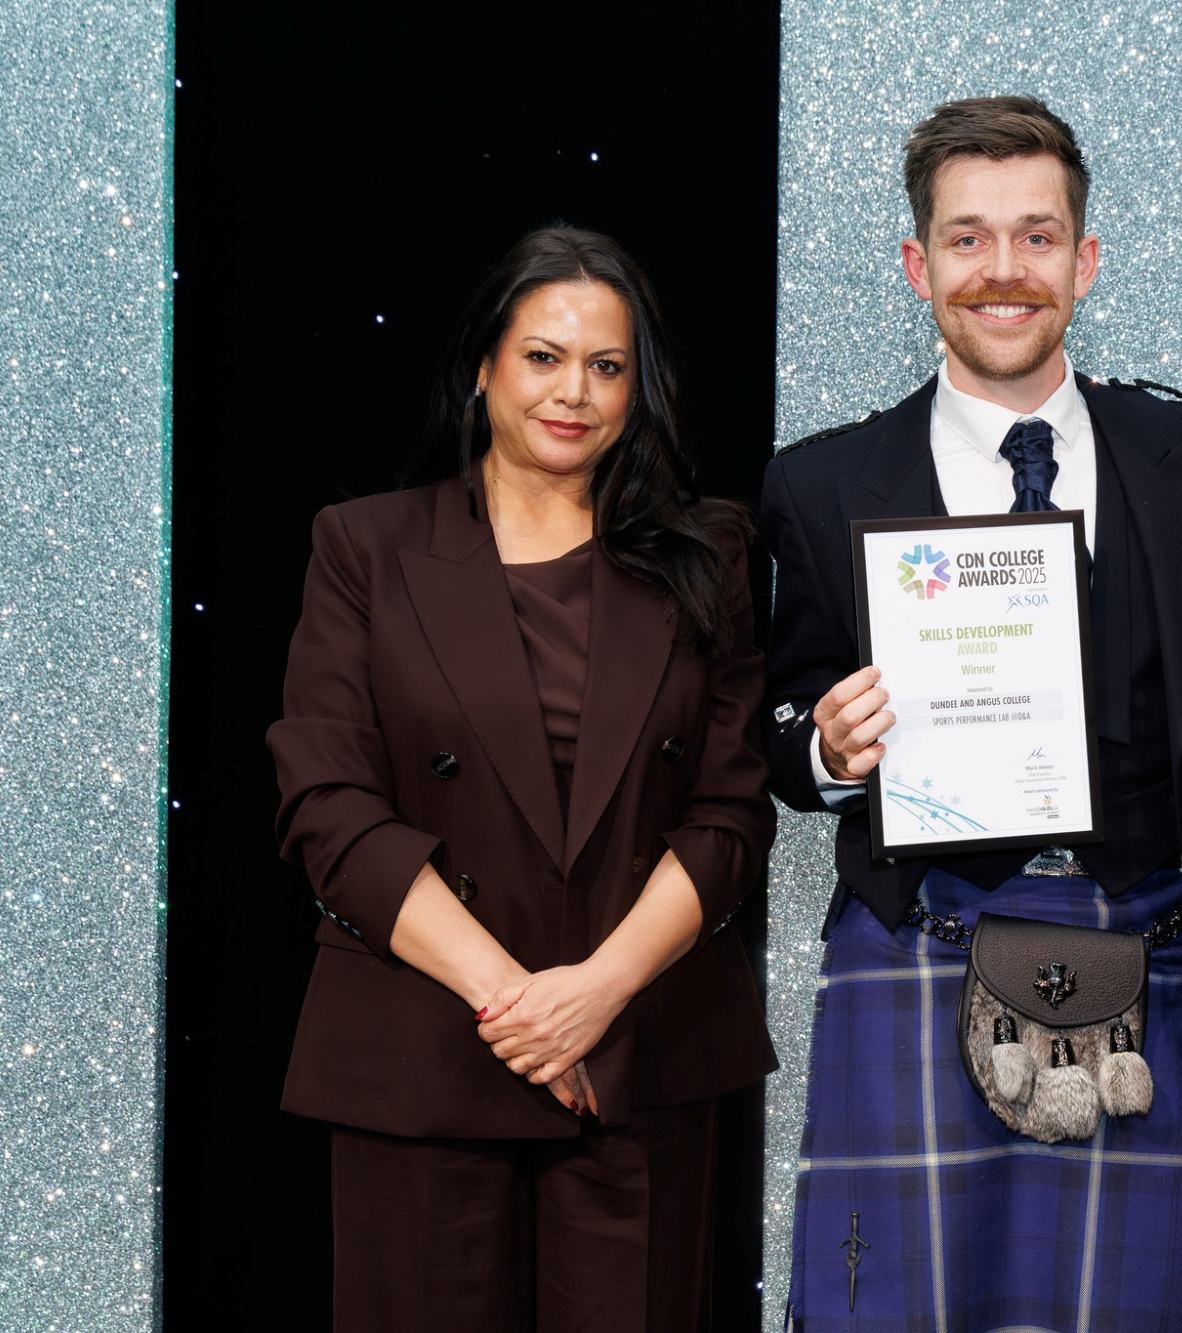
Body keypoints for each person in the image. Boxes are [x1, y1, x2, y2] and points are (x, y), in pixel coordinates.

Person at [762, 96, 1182, 1329]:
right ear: (918, 265)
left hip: (1138, 936)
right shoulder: (816, 482)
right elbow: (767, 716)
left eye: (1036, 237)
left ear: (1084, 260)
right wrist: (823, 745)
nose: (1003, 272)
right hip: (916, 936)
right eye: (968, 240)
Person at [268, 226, 774, 1331]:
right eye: (543, 356)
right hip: (425, 1057)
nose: (573, 394)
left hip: (638, 1057)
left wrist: (594, 996)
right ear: (485, 364)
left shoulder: (709, 553)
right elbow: (328, 805)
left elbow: (730, 813)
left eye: (606, 366)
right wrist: (522, 1009)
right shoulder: (365, 547)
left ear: (639, 390)